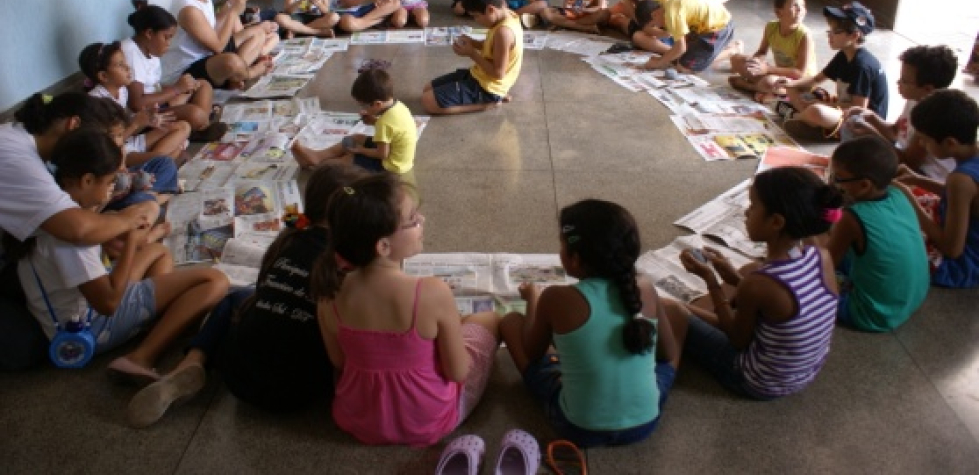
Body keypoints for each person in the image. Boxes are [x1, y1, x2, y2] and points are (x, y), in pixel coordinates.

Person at [125, 163, 365, 427]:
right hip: (299, 392)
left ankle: (192, 362)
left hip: (237, 374)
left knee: (236, 297)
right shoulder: (347, 260)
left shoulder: (291, 236)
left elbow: (296, 219)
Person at [7, 129, 227, 383]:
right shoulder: (73, 240)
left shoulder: (54, 217)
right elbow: (109, 303)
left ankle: (161, 322)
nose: (112, 190)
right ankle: (141, 356)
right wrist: (132, 240)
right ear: (87, 180)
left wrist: (116, 224)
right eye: (110, 182)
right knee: (214, 280)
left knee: (158, 252)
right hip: (91, 328)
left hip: (77, 310)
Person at [312, 173, 500, 446]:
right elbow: (458, 373)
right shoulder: (432, 292)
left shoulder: (328, 294)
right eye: (413, 219)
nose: (422, 220)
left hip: (359, 420)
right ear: (383, 246)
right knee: (489, 319)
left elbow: (340, 363)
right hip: (429, 422)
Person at [499, 199, 679, 447]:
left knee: (510, 322)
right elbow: (669, 355)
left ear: (574, 259)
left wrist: (533, 300)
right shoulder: (645, 288)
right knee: (675, 320)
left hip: (577, 428)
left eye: (561, 245)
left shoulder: (555, 298)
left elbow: (532, 352)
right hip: (644, 424)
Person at [0, 93, 157, 370]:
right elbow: (78, 229)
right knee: (25, 352)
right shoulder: (14, 154)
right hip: (22, 265)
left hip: (30, 259)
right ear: (73, 126)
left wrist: (110, 228)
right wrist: (127, 221)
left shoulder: (39, 152)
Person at [663, 167, 840, 399]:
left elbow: (736, 339)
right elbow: (780, 299)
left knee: (671, 308)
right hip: (803, 372)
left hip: (755, 381)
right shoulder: (820, 256)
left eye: (753, 206)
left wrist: (711, 282)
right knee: (749, 271)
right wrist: (735, 279)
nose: (746, 213)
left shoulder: (759, 283)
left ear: (776, 221)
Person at [824, 136, 929, 331]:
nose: (833, 181)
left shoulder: (852, 217)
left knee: (807, 268)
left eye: (838, 177)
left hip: (873, 314)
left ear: (864, 185)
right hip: (912, 298)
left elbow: (825, 264)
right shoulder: (899, 193)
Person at [895, 90, 979, 288]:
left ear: (950, 143)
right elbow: (968, 199)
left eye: (924, 140)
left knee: (887, 243)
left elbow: (952, 249)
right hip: (965, 233)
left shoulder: (961, 180)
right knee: (914, 193)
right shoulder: (970, 163)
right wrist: (918, 180)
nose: (922, 145)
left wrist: (911, 203)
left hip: (962, 264)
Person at [776, 1, 888, 142]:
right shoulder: (844, 54)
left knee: (816, 111)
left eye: (835, 32)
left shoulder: (862, 66)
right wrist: (791, 83)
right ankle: (809, 121)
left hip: (861, 123)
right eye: (830, 30)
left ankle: (801, 118)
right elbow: (816, 79)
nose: (830, 36)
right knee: (792, 87)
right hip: (842, 106)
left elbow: (858, 109)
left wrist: (823, 105)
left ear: (854, 35)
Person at [843, 45, 958, 181]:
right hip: (903, 155)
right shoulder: (915, 99)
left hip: (924, 175)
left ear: (927, 89)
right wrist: (871, 117)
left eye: (904, 80)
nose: (898, 82)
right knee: (854, 122)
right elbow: (895, 133)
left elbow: (909, 163)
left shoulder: (932, 117)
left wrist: (873, 135)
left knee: (861, 154)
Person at [161, 0, 277, 89]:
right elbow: (218, 47)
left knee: (258, 32)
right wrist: (233, 12)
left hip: (208, 52)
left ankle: (234, 76)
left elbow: (214, 26)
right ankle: (249, 73)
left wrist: (229, 4)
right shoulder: (188, 10)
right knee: (230, 61)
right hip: (188, 66)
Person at [122, 0, 225, 142]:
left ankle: (199, 126)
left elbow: (153, 87)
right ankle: (199, 126)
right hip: (145, 117)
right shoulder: (130, 52)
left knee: (202, 85)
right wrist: (176, 90)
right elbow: (137, 103)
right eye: (166, 37)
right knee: (196, 114)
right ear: (149, 33)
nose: (168, 44)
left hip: (159, 103)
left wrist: (182, 89)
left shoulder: (150, 49)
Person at [421, 0, 523, 115]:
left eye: (476, 16)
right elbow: (493, 48)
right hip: (478, 74)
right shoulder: (505, 14)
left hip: (488, 88)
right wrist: (473, 42)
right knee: (427, 89)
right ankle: (489, 98)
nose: (476, 20)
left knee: (428, 102)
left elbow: (498, 73)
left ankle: (488, 103)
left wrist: (472, 53)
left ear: (490, 10)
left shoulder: (504, 32)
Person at [79, 41, 191, 166]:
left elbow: (128, 127)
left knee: (183, 127)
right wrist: (136, 124)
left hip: (129, 142)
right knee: (171, 152)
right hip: (116, 153)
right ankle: (158, 161)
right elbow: (108, 146)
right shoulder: (96, 102)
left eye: (125, 62)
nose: (128, 68)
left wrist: (148, 119)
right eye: (121, 65)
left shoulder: (121, 90)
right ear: (104, 76)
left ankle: (157, 161)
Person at [291, 66, 417, 174]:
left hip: (392, 166)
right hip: (396, 153)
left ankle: (319, 167)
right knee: (357, 137)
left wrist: (361, 151)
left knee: (348, 159)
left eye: (363, 106)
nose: (362, 109)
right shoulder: (398, 105)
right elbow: (393, 129)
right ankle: (319, 155)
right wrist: (373, 121)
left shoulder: (385, 123)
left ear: (377, 104)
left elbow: (382, 154)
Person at [636, 0, 740, 73]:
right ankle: (718, 50)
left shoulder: (671, 12)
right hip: (703, 28)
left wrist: (659, 63)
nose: (659, 27)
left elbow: (680, 48)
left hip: (719, 28)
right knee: (680, 57)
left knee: (684, 67)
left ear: (655, 14)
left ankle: (731, 51)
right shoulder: (666, 4)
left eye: (655, 24)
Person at [729, 0, 816, 102]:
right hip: (778, 72)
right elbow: (762, 51)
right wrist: (756, 63)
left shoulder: (804, 35)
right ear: (778, 13)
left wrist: (767, 69)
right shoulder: (771, 27)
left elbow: (799, 73)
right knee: (736, 59)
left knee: (768, 82)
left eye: (803, 5)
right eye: (795, 5)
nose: (800, 9)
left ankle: (750, 86)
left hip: (799, 83)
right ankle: (769, 91)